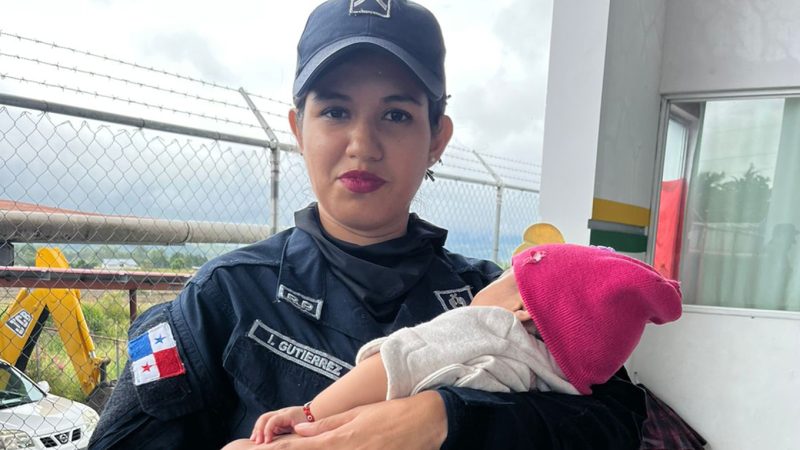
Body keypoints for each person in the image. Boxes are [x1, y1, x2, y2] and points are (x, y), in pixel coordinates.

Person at [90, 1, 649, 448]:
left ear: (437, 138)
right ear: (297, 127)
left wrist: (438, 419)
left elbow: (617, 420)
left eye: (396, 115)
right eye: (335, 111)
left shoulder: (498, 297)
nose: (362, 145)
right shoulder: (222, 298)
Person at [226, 244, 681, 448]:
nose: (490, 284)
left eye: (506, 280)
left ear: (522, 310)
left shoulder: (491, 329)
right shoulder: (566, 379)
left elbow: (399, 359)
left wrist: (308, 413)